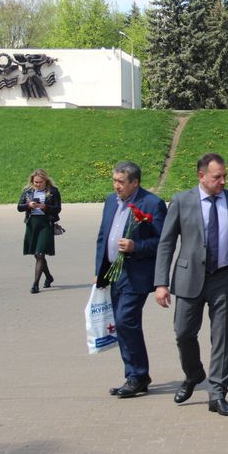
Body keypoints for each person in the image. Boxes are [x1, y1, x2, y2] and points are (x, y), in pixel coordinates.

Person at [154, 153, 228, 416]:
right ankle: (193, 373)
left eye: (225, 176)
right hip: (188, 278)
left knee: (222, 338)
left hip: (224, 278)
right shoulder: (181, 201)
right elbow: (166, 243)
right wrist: (161, 283)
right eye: (217, 177)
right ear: (201, 176)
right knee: (183, 333)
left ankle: (217, 393)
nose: (223, 181)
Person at [94, 161, 167, 398]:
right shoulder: (110, 201)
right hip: (113, 273)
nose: (116, 186)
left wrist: (137, 246)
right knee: (121, 322)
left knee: (125, 320)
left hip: (136, 274)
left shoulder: (152, 204)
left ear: (135, 182)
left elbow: (163, 242)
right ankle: (135, 375)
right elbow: (103, 236)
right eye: (114, 180)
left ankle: (137, 375)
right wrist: (99, 270)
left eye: (121, 182)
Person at [17, 169, 62, 294]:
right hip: (32, 224)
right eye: (35, 182)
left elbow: (58, 208)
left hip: (46, 224)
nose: (37, 184)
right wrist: (28, 205)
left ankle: (35, 284)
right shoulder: (27, 191)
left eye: (40, 182)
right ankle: (49, 277)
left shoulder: (53, 191)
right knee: (37, 255)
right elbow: (19, 207)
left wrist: (45, 207)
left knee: (40, 253)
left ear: (46, 181)